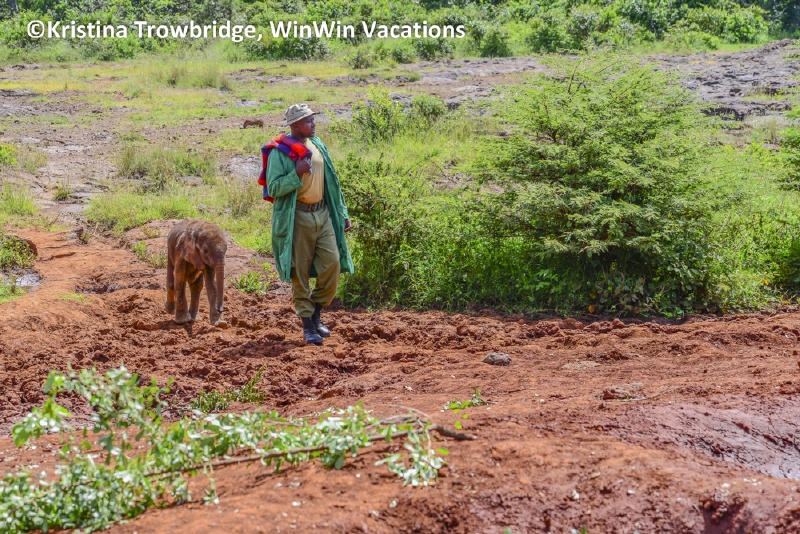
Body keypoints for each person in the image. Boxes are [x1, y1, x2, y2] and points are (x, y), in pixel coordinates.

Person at [265, 104, 354, 345]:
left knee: (333, 264)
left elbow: (333, 182)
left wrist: (342, 212)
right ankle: (308, 326)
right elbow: (273, 188)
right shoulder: (280, 153)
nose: (314, 125)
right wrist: (296, 173)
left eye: (313, 120)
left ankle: (316, 312)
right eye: (308, 121)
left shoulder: (318, 145)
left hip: (323, 214)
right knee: (300, 273)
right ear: (295, 125)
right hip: (298, 217)